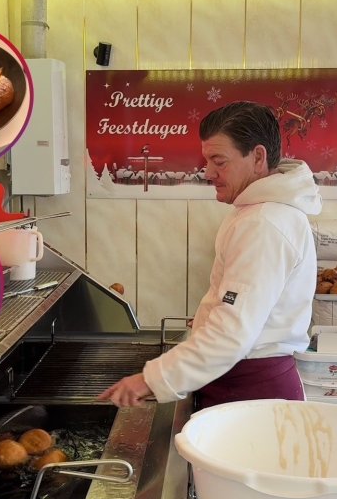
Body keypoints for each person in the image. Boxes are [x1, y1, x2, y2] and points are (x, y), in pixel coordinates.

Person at [96, 101, 323, 409]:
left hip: (250, 394)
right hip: (241, 382)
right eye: (207, 161)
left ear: (258, 157)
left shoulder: (263, 223)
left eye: (219, 161)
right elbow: (247, 308)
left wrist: (150, 379)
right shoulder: (258, 212)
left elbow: (232, 333)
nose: (207, 173)